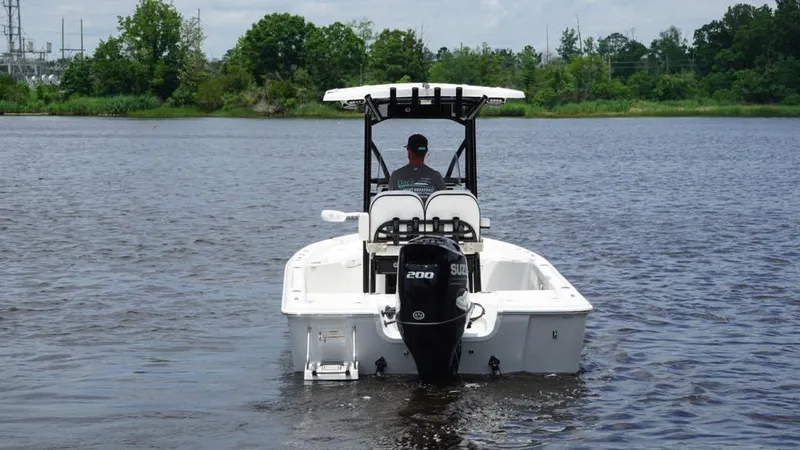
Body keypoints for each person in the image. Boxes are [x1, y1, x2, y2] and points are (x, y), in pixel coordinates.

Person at [389, 133, 446, 199]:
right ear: (426, 152)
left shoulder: (395, 176)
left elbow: (390, 201)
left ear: (409, 152)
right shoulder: (436, 176)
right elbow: (444, 200)